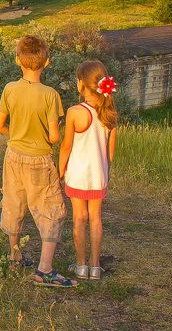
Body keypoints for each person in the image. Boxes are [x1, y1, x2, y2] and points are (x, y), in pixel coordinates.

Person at [0, 35, 76, 288]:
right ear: (47, 62)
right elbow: (53, 137)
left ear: (17, 60)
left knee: (14, 203)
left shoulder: (9, 89)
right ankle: (45, 270)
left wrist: (17, 134)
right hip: (39, 159)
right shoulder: (50, 95)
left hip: (13, 156)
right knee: (51, 210)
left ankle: (14, 257)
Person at [59, 60, 119, 281]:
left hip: (78, 174)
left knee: (79, 218)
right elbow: (110, 154)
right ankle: (95, 267)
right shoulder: (110, 113)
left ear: (81, 84)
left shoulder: (75, 112)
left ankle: (81, 265)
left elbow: (66, 146)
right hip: (98, 175)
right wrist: (105, 171)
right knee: (95, 219)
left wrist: (60, 170)